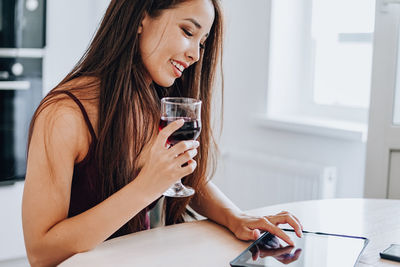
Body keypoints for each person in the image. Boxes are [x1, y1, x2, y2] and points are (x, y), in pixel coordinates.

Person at [22, 0, 303, 266]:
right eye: (187, 31)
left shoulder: (153, 101)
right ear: (141, 17)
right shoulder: (64, 115)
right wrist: (145, 188)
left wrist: (236, 217)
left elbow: (179, 175)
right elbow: (41, 253)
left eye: (202, 43)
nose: (195, 54)